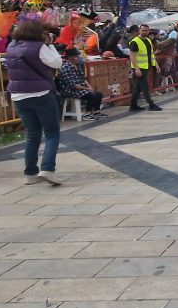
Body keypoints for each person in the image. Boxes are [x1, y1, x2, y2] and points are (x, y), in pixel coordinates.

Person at [6, 20, 63, 186]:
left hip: (18, 95)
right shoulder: (39, 47)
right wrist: (50, 45)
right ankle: (47, 169)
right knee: (52, 133)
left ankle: (30, 173)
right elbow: (56, 62)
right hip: (41, 93)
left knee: (32, 134)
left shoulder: (11, 46)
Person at [57, 48, 105, 120]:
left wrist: (89, 87)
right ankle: (87, 114)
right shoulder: (65, 68)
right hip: (71, 90)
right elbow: (72, 85)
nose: (78, 58)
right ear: (70, 57)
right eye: (76, 56)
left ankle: (96, 111)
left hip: (80, 88)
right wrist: (87, 89)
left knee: (99, 94)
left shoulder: (77, 66)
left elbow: (84, 79)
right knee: (91, 95)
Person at [128, 24, 162, 112]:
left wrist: (156, 65)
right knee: (145, 87)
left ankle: (133, 105)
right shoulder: (135, 41)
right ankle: (151, 104)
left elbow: (151, 54)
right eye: (142, 30)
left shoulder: (148, 40)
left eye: (146, 30)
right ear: (139, 31)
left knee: (137, 88)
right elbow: (132, 56)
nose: (144, 32)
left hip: (146, 67)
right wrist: (136, 68)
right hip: (139, 68)